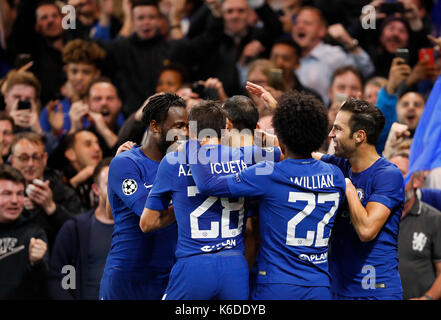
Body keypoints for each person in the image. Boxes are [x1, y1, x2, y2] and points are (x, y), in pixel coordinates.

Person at [183, 91, 345, 300]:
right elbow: (304, 146)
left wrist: (193, 139)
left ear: (281, 134)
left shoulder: (268, 173)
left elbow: (208, 184)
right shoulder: (337, 176)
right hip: (319, 285)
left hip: (277, 285)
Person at [141, 99, 282, 300]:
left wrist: (182, 206)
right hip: (235, 266)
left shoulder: (173, 160)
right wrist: (259, 136)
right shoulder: (247, 156)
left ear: (190, 130)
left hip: (194, 264)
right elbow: (283, 150)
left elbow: (147, 223)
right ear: (225, 128)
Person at [99, 92, 188, 300]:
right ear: (155, 126)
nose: (185, 133)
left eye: (186, 126)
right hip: (126, 281)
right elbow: (148, 218)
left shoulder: (185, 164)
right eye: (178, 126)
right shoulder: (126, 162)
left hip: (168, 279)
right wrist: (190, 201)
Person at [313, 98, 404, 300]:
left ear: (359, 136)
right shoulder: (341, 164)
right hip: (337, 288)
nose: (331, 135)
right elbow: (300, 152)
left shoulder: (388, 175)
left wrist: (347, 186)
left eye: (338, 129)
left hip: (375, 291)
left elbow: (366, 230)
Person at [48, 157, 113, 300]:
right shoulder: (75, 229)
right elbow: (60, 279)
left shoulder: (142, 227)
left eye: (122, 182)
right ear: (96, 189)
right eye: (110, 184)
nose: (117, 190)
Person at [9, 132, 82, 248]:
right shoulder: (3, 193)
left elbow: (80, 233)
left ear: (45, 159)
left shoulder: (63, 189)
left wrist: (51, 207)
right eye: (23, 158)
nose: (30, 164)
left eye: (36, 157)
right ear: (12, 161)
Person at [292, 6, 374, 105]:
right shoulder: (288, 54)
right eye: (297, 23)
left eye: (307, 23)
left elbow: (366, 70)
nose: (300, 26)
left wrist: (350, 43)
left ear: (322, 30)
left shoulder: (333, 55)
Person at [0, 164, 48, 299]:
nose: (15, 201)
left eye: (20, 194)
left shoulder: (34, 234)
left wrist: (36, 263)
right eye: (7, 194)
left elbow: (44, 287)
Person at [398, 172, 441, 300]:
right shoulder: (377, 218)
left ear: (416, 181)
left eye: (401, 174)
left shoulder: (434, 219)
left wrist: (427, 298)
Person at [63, 130, 103, 211]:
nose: (97, 148)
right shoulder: (59, 178)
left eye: (97, 143)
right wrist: (74, 182)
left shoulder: (109, 172)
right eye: (88, 144)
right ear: (71, 154)